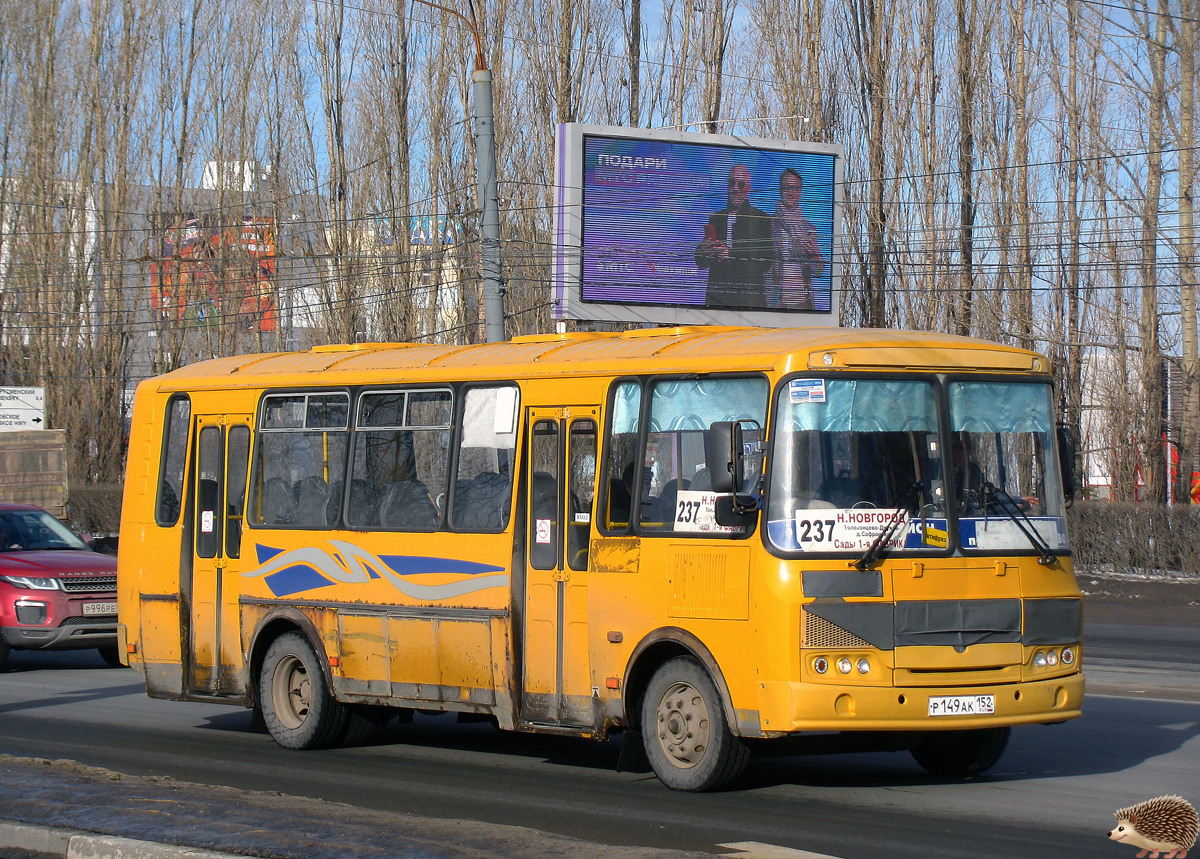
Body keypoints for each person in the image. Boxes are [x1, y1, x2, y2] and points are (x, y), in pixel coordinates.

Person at [695, 164, 774, 309]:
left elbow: (766, 261)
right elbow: (700, 262)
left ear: (748, 189)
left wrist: (730, 254)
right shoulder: (716, 218)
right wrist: (706, 250)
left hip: (749, 302)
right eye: (732, 183)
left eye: (741, 184)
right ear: (727, 186)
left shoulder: (761, 218)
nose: (736, 189)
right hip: (717, 300)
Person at [770, 168, 825, 310]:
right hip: (775, 302)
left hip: (803, 303)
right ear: (781, 190)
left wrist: (813, 254)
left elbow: (818, 271)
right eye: (787, 187)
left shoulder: (808, 228)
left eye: (795, 188)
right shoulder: (769, 224)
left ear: (800, 192)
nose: (791, 192)